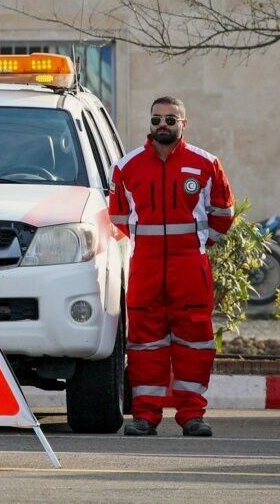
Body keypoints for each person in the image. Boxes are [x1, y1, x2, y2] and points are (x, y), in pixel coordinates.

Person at [109, 96, 235, 437]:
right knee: (144, 345)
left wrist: (195, 247)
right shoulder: (126, 167)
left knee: (195, 344)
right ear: (149, 123)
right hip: (146, 269)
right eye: (156, 120)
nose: (163, 125)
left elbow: (223, 216)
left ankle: (192, 416)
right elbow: (119, 218)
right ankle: (144, 417)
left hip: (190, 270)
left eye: (170, 119)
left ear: (184, 123)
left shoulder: (206, 164)